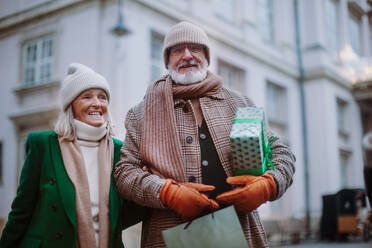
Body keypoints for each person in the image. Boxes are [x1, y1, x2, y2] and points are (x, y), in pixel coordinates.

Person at [114, 21, 296, 248]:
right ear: (167, 60)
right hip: (167, 236)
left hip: (239, 232)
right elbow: (124, 174)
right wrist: (167, 193)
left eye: (195, 48)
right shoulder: (140, 114)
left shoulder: (238, 102)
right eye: (178, 50)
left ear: (207, 56)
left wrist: (269, 185)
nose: (187, 55)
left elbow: (281, 153)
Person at [0, 63, 145, 248]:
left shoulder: (119, 150)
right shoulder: (44, 144)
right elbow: (21, 210)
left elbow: (124, 214)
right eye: (86, 97)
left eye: (102, 97)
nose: (97, 103)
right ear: (71, 105)